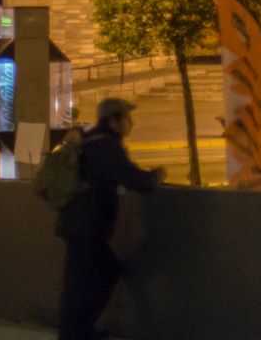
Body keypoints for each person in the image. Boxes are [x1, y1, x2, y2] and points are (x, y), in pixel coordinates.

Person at [55, 98, 164, 340]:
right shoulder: (106, 147)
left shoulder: (90, 140)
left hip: (77, 224)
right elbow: (137, 180)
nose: (131, 124)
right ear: (114, 121)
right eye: (127, 118)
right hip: (88, 227)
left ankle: (76, 331)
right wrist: (156, 176)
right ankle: (78, 331)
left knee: (78, 283)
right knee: (103, 272)